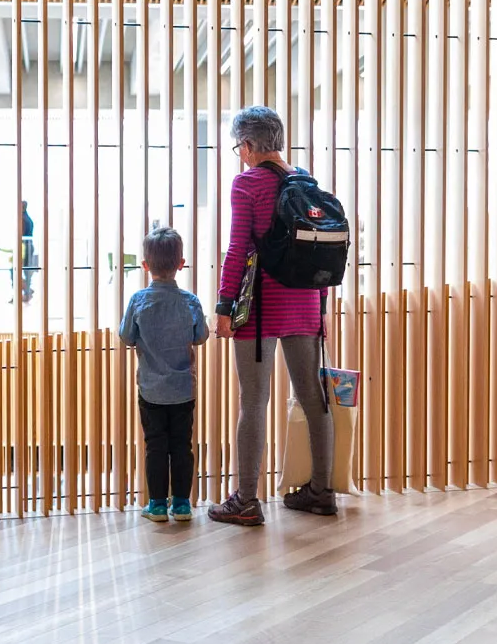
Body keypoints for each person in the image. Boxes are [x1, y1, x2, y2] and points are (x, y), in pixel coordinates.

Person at [208, 105, 337, 525]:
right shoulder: (307, 182)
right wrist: (322, 307)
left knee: (254, 402)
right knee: (312, 398)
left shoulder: (247, 185)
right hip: (305, 304)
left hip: (259, 309)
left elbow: (238, 250)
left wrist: (225, 309)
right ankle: (321, 491)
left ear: (247, 145)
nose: (239, 155)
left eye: (238, 147)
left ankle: (246, 500)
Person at [118, 226, 207, 521]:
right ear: (181, 263)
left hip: (151, 390)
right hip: (183, 389)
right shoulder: (191, 302)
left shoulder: (137, 301)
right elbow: (201, 337)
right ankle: (181, 504)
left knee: (155, 446)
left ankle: (156, 504)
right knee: (182, 445)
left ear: (145, 265)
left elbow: (127, 337)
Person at [19, 201, 37, 303]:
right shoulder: (28, 218)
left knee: (18, 270)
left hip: (24, 247)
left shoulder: (23, 219)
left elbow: (21, 234)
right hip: (29, 246)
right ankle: (27, 291)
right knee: (26, 271)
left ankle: (26, 291)